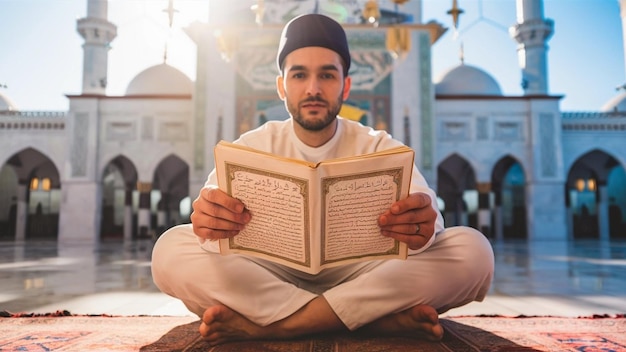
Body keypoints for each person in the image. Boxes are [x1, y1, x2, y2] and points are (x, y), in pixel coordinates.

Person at [151, 13, 494, 346]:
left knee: (473, 251)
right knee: (170, 250)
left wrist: (423, 224)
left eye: (327, 76)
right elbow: (209, 238)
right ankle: (372, 319)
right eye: (299, 75)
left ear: (345, 85)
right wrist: (209, 224)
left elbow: (430, 227)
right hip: (272, 273)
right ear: (282, 86)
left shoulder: (378, 146)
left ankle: (279, 326)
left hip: (361, 273)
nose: (313, 89)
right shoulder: (251, 148)